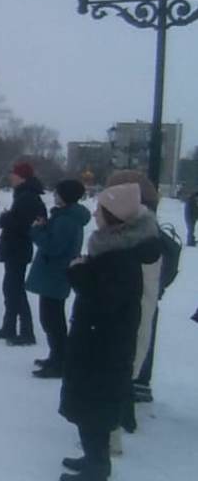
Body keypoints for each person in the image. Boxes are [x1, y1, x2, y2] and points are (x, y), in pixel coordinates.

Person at [57, 183, 160, 481]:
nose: (95, 215)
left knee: (94, 408)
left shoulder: (121, 255)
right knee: (90, 407)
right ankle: (93, 459)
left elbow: (105, 300)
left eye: (100, 210)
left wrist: (79, 274)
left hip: (103, 346)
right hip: (100, 341)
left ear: (113, 215)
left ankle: (96, 473)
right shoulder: (116, 247)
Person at [105, 170, 162, 406]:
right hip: (134, 307)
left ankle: (130, 389)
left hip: (128, 311)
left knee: (135, 338)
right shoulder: (141, 229)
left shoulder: (137, 236)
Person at [27, 180, 90, 379]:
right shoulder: (65, 216)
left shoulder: (66, 220)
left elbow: (54, 247)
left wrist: (37, 231)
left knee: (52, 320)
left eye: (57, 193)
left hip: (55, 273)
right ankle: (56, 357)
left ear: (65, 196)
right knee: (51, 318)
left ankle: (59, 361)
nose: (54, 195)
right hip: (55, 273)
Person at [0, 161, 46, 346]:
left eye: (13, 173)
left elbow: (24, 224)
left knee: (15, 290)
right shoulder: (24, 194)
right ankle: (9, 327)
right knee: (11, 288)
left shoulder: (27, 196)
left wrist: (6, 218)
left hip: (18, 248)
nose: (10, 176)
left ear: (22, 177)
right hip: (16, 247)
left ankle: (26, 332)